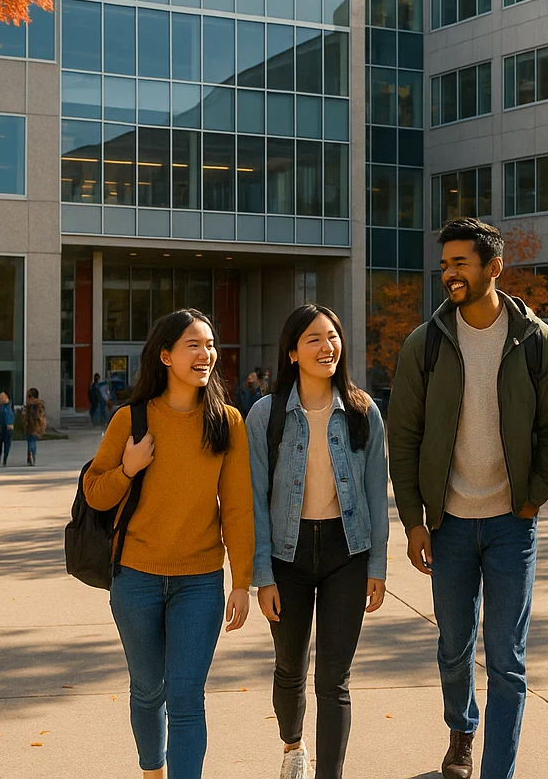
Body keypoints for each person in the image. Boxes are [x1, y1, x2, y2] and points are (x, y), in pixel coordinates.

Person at [386, 217, 548, 779]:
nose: (449, 274)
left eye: (460, 263)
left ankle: (498, 770)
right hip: (450, 524)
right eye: (445, 265)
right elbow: (406, 436)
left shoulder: (537, 341)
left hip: (513, 523)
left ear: (494, 266)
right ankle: (461, 731)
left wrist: (534, 499)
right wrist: (415, 520)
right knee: (453, 647)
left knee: (508, 660)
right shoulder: (426, 344)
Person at [83, 309, 254, 779]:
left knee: (184, 695)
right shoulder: (130, 419)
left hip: (198, 583)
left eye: (211, 345)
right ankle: (151, 770)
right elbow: (95, 493)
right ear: (166, 355)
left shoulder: (228, 422)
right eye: (193, 345)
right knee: (146, 689)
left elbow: (238, 508)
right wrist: (129, 468)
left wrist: (242, 581)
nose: (206, 355)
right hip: (135, 578)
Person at [246, 304, 389, 779]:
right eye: (313, 338)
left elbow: (374, 493)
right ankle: (293, 747)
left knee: (334, 677)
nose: (327, 347)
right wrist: (261, 575)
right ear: (291, 352)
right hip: (286, 556)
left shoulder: (363, 411)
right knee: (289, 666)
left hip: (346, 552)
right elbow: (255, 502)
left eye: (332, 337)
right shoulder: (266, 415)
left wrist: (377, 567)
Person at [23, 387, 48, 466]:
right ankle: (31, 456)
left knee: (31, 442)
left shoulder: (35, 406)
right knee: (31, 441)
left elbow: (37, 416)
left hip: (34, 426)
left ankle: (32, 456)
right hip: (31, 426)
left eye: (29, 396)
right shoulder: (32, 405)